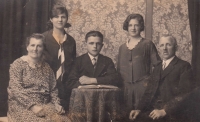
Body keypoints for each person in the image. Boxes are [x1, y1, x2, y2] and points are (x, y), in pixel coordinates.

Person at [7, 33, 71, 122]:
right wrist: (32, 106)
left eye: (39, 46)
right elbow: (16, 89)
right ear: (27, 47)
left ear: (43, 49)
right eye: (32, 45)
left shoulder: (46, 67)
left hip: (44, 105)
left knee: (65, 120)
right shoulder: (18, 64)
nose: (35, 49)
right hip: (22, 106)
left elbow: (53, 89)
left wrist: (56, 104)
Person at [129, 35, 193, 122]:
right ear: (159, 48)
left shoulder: (184, 66)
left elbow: (184, 94)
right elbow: (148, 92)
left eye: (168, 45)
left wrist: (165, 111)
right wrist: (139, 109)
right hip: (153, 112)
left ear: (176, 47)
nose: (164, 48)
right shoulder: (157, 68)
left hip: (172, 114)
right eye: (162, 45)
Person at [117, 14, 161, 112]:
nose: (133, 28)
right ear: (127, 27)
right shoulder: (122, 47)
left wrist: (150, 83)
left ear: (141, 27)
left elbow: (158, 66)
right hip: (125, 91)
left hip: (143, 90)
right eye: (130, 25)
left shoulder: (147, 44)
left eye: (136, 25)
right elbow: (119, 70)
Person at [43, 5, 76, 111]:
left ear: (66, 19)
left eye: (63, 17)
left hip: (65, 86)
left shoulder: (71, 41)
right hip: (46, 85)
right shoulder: (44, 38)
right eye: (56, 17)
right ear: (51, 19)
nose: (60, 20)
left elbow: (72, 65)